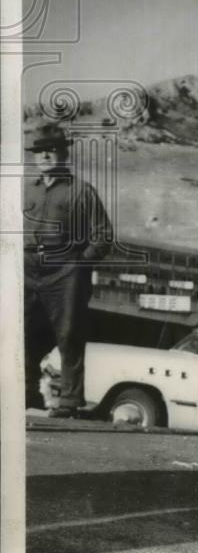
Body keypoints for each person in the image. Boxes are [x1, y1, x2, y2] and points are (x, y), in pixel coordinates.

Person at [24, 123, 112, 418]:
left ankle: (70, 402)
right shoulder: (27, 190)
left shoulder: (81, 191)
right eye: (40, 151)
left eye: (51, 151)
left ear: (63, 155)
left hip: (65, 272)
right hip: (26, 270)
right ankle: (25, 394)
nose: (45, 156)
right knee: (21, 332)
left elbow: (103, 236)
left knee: (68, 335)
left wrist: (78, 264)